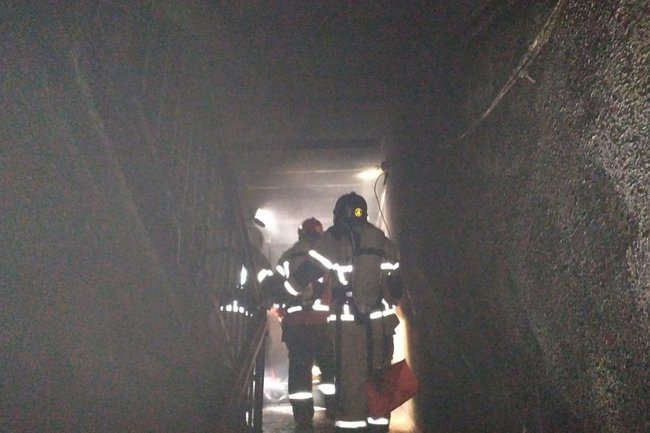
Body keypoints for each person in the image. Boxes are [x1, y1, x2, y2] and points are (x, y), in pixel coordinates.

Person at [283, 193, 403, 433]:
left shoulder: (333, 238)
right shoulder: (380, 238)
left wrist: (286, 289)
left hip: (348, 328)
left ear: (339, 214)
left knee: (350, 380)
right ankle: (379, 426)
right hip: (380, 326)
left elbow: (309, 271)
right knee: (380, 377)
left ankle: (351, 426)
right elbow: (396, 286)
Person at [275, 217, 336, 430]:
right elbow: (336, 288)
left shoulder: (287, 257)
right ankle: (333, 409)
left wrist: (283, 315)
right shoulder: (326, 257)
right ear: (320, 235)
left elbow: (278, 290)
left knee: (299, 373)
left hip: (295, 326)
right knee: (329, 369)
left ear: (300, 234)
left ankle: (302, 417)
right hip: (321, 325)